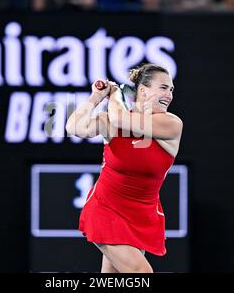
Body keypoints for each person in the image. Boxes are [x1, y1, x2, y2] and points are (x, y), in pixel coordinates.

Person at [65, 64, 183, 273]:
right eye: (164, 87)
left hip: (141, 216)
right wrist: (95, 98)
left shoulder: (171, 124)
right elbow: (73, 127)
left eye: (171, 89)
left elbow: (121, 117)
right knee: (141, 274)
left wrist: (114, 93)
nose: (169, 95)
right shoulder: (112, 121)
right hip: (105, 208)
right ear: (143, 91)